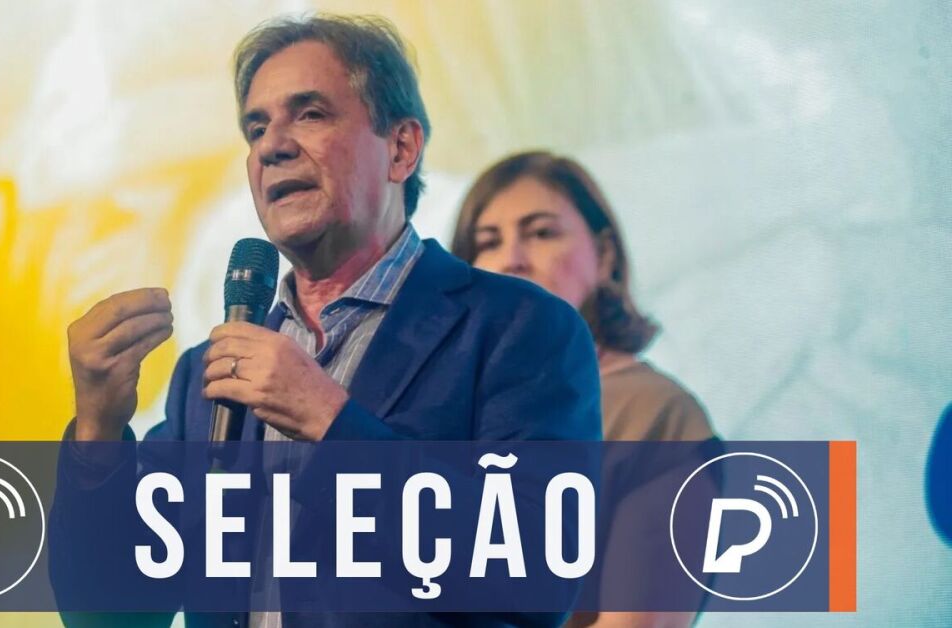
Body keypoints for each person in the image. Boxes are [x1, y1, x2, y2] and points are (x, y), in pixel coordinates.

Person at [52, 16, 601, 628]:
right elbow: (112, 616)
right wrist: (98, 430)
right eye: (256, 128)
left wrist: (331, 422)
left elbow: (535, 578)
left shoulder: (518, 329)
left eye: (309, 114)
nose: (272, 146)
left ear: (401, 148)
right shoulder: (206, 378)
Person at [451, 151, 717, 628]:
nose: (511, 259)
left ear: (605, 254)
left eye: (541, 233)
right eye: (488, 242)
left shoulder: (656, 414)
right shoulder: (446, 405)